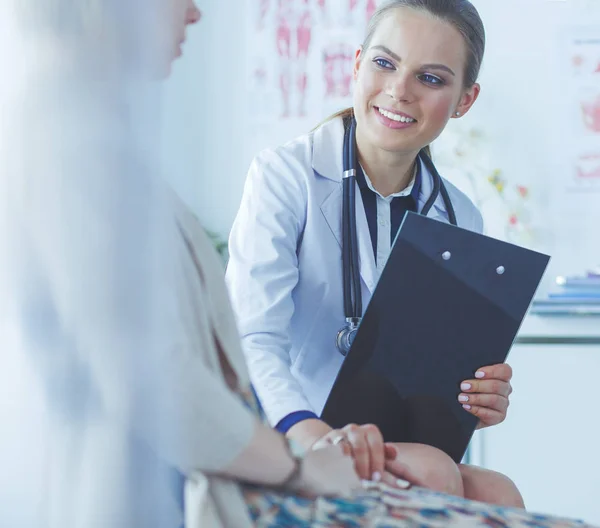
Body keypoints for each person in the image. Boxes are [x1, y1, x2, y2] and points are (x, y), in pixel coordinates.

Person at [226, 0, 523, 506]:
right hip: (291, 426)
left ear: (464, 100)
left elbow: (432, 365)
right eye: (385, 63)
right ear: (358, 63)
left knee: (498, 492)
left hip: (389, 433)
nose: (399, 90)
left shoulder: (460, 215)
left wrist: (476, 394)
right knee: (433, 471)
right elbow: (253, 339)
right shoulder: (285, 176)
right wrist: (312, 434)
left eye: (430, 78)